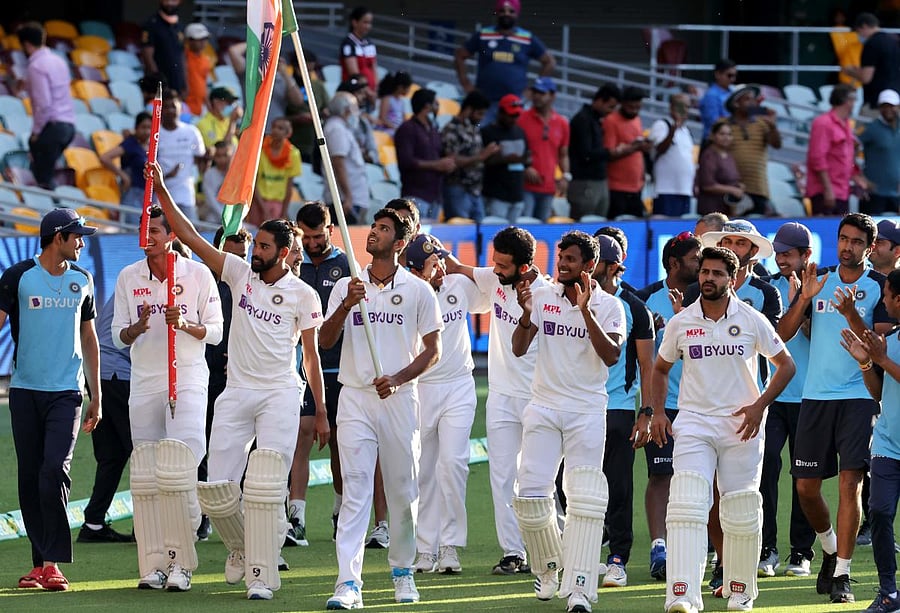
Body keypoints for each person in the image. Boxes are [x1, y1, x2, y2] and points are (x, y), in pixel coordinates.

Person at [148, 161, 327, 601]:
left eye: (264, 247)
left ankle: (262, 575)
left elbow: (311, 355)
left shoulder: (304, 295)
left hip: (281, 393)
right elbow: (189, 236)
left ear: (283, 252)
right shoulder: (238, 273)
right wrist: (163, 190)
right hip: (237, 391)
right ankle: (240, 546)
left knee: (266, 482)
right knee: (217, 487)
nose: (255, 252)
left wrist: (320, 411)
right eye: (256, 245)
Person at [650, 246, 795, 613]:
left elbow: (786, 366)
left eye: (717, 274)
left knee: (741, 509)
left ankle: (741, 590)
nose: (708, 279)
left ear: (732, 280)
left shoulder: (751, 318)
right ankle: (682, 594)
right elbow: (661, 368)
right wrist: (657, 413)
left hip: (740, 426)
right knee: (686, 505)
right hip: (695, 423)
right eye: (705, 272)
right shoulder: (682, 322)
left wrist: (759, 406)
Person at [319, 209, 443, 609]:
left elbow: (433, 351)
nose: (374, 233)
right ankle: (347, 583)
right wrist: (345, 306)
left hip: (399, 400)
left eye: (384, 229)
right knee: (355, 491)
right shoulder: (347, 286)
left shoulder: (418, 290)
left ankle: (403, 572)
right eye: (373, 227)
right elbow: (324, 341)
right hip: (354, 397)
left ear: (401, 243)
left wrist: (399, 379)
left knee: (403, 491)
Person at [780, 212, 893, 604]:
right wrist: (805, 298)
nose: (848, 246)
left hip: (860, 395)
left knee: (850, 483)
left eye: (857, 241)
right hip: (815, 396)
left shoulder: (878, 286)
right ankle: (828, 547)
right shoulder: (819, 279)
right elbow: (783, 333)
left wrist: (850, 314)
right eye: (843, 239)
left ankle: (842, 572)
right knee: (806, 488)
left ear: (871, 247)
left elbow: (877, 348)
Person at [510, 230, 624, 613]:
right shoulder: (541, 295)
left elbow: (610, 356)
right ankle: (547, 569)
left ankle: (579, 590)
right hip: (543, 406)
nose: (561, 264)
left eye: (570, 259)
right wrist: (526, 316)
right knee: (529, 498)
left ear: (589, 266)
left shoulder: (610, 307)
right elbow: (519, 347)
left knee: (583, 503)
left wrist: (585, 309)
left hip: (587, 411)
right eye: (560, 257)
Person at [112, 205, 224, 591]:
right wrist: (137, 327)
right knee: (148, 478)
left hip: (188, 381)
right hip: (144, 383)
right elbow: (117, 337)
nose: (148, 236)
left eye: (155, 230)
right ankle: (155, 562)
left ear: (171, 234)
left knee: (180, 471)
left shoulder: (196, 274)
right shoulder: (129, 276)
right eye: (144, 229)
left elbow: (216, 331)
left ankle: (182, 562)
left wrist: (187, 325)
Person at [1, 208, 101, 592]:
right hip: (25, 392)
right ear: (57, 237)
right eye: (76, 236)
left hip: (67, 394)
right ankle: (39, 564)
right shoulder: (18, 277)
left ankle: (52, 564)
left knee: (54, 469)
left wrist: (97, 395)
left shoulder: (83, 279)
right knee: (29, 477)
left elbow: (89, 338)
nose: (81, 242)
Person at [444, 226, 548, 576]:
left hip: (539, 397)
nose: (495, 269)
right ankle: (513, 552)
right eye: (494, 261)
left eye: (502, 265)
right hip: (501, 395)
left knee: (537, 479)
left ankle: (549, 546)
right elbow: (458, 268)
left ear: (523, 266)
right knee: (502, 476)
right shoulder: (495, 279)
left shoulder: (547, 294)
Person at [408, 234, 485, 575]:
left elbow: (494, 284)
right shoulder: (408, 294)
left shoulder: (458, 284)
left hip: (458, 386)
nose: (438, 268)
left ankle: (450, 544)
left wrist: (458, 264)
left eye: (440, 260)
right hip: (422, 387)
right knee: (424, 470)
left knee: (453, 464)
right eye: (431, 263)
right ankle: (425, 548)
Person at [635, 231, 702, 582]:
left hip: (704, 407)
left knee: (704, 480)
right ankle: (659, 547)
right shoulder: (644, 301)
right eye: (695, 259)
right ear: (674, 263)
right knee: (661, 475)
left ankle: (702, 546)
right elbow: (640, 362)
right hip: (665, 406)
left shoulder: (713, 298)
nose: (701, 265)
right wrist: (649, 409)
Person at [591, 231, 655, 589]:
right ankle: (588, 548)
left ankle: (617, 558)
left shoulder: (634, 307)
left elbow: (647, 365)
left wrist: (646, 412)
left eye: (595, 261)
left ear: (613, 267)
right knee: (566, 483)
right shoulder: (570, 298)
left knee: (618, 487)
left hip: (616, 407)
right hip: (576, 406)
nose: (588, 267)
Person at [289, 203, 352, 545]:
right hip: (300, 368)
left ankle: (341, 511)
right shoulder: (292, 265)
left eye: (318, 236)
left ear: (330, 230)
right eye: (306, 237)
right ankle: (295, 516)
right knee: (300, 434)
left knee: (339, 443)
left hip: (338, 368)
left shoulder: (345, 265)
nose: (312, 243)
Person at [757, 222, 817, 578]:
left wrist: (805, 300)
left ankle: (801, 552)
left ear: (805, 255)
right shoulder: (770, 290)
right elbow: (776, 338)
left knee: (804, 478)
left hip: (810, 395)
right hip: (773, 394)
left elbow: (810, 334)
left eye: (788, 253)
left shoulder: (819, 286)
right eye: (778, 253)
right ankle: (767, 548)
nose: (781, 259)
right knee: (765, 468)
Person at [838, 268, 900, 613]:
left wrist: (881, 359)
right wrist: (866, 365)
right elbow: (879, 393)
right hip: (888, 446)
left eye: (887, 295)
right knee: (878, 511)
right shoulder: (889, 340)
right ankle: (889, 592)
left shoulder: (887, 348)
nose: (884, 301)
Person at [197, 226, 251, 539]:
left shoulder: (250, 282)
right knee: (202, 444)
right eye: (231, 255)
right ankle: (203, 514)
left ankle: (238, 512)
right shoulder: (198, 281)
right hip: (205, 374)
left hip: (240, 376)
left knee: (242, 446)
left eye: (243, 256)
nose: (238, 262)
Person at [77, 296, 135, 544]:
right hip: (122, 375)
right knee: (143, 452)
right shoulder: (144, 288)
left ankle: (93, 522)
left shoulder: (126, 284)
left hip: (101, 375)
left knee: (112, 455)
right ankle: (146, 527)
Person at [455, 0, 555, 123]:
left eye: (511, 11)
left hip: (515, 103)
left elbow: (549, 62)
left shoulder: (526, 38)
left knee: (512, 139)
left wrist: (533, 90)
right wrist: (466, 84)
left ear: (516, 14)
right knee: (481, 137)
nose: (506, 14)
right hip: (486, 103)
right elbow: (460, 55)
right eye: (502, 11)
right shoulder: (483, 35)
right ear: (497, 13)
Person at [17, 22, 76, 190]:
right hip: (68, 127)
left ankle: (51, 212)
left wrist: (36, 132)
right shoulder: (59, 61)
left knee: (42, 178)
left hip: (53, 127)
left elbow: (44, 105)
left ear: (27, 45)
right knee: (45, 173)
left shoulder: (36, 66)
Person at [805, 84, 870, 216]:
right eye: (853, 99)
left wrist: (857, 178)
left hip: (841, 191)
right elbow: (817, 158)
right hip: (825, 192)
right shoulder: (823, 123)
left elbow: (845, 158)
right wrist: (828, 189)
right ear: (846, 101)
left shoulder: (846, 124)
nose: (854, 104)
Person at [394, 88, 456, 220]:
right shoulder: (407, 128)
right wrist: (437, 165)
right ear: (427, 106)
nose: (438, 107)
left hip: (435, 196)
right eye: (436, 103)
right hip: (415, 195)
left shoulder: (433, 129)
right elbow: (406, 161)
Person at [440, 90, 500, 222]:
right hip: (457, 188)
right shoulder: (451, 129)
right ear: (468, 109)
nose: (481, 118)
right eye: (479, 113)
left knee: (480, 233)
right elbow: (452, 160)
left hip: (475, 190)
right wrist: (481, 156)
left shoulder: (474, 128)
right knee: (461, 232)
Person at [518, 77, 570, 221]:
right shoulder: (521, 119)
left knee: (541, 231)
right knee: (523, 228)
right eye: (535, 92)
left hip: (548, 187)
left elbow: (563, 154)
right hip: (525, 186)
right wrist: (525, 167)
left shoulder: (562, 123)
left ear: (552, 96)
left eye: (541, 93)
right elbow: (515, 149)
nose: (536, 96)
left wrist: (565, 175)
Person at [725, 85, 781, 216]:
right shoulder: (723, 125)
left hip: (758, 187)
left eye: (753, 99)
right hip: (733, 188)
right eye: (747, 99)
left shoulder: (762, 123)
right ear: (736, 103)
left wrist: (772, 126)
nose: (752, 103)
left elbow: (776, 144)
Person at [568, 84, 620, 220]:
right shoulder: (582, 120)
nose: (611, 111)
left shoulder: (596, 121)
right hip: (585, 183)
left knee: (598, 225)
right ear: (600, 100)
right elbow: (586, 154)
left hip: (598, 181)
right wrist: (611, 152)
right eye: (610, 106)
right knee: (584, 228)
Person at [229, 42, 305, 132]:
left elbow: (298, 101)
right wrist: (259, 40)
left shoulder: (283, 78)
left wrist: (284, 73)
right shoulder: (251, 73)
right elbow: (233, 51)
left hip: (274, 133)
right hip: (251, 131)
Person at [156, 88, 206, 221]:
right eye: (166, 107)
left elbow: (201, 158)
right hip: (162, 196)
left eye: (173, 106)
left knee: (189, 237)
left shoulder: (191, 132)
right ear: (160, 110)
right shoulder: (156, 134)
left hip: (186, 196)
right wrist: (166, 176)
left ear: (180, 107)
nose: (171, 110)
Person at [604, 87, 653, 219]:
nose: (635, 108)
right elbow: (610, 153)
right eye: (632, 105)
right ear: (623, 103)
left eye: (638, 104)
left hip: (636, 187)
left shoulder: (637, 119)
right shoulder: (611, 120)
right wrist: (635, 147)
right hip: (617, 187)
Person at [481, 94, 529, 223]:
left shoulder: (520, 132)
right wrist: (506, 159)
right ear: (501, 113)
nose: (514, 119)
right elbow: (484, 161)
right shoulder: (488, 132)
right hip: (497, 194)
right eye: (511, 115)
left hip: (517, 193)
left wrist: (523, 160)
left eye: (516, 115)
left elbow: (526, 156)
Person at [322, 92, 369, 225]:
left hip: (353, 198)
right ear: (347, 109)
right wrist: (348, 197)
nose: (357, 112)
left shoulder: (342, 128)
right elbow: (339, 164)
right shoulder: (336, 129)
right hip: (345, 201)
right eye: (355, 107)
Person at [843, 13, 900, 118]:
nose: (858, 36)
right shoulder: (894, 41)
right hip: (895, 100)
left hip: (875, 103)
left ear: (864, 26)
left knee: (862, 132)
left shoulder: (872, 44)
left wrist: (850, 71)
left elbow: (866, 77)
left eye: (858, 32)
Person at [100, 111, 152, 224]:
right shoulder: (130, 144)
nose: (147, 131)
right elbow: (105, 157)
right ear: (136, 128)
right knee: (134, 230)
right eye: (143, 127)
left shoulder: (152, 146)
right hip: (132, 194)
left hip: (149, 195)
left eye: (149, 128)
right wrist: (123, 175)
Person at [249, 117, 302, 226]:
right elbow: (253, 182)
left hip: (278, 203)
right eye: (274, 127)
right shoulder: (260, 150)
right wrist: (263, 208)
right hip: (258, 202)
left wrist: (283, 212)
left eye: (280, 128)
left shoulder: (294, 154)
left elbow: (289, 187)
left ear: (288, 133)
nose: (275, 130)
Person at [650, 93, 695, 217]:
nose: (684, 110)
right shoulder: (662, 125)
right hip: (666, 190)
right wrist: (673, 129)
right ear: (671, 107)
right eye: (680, 106)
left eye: (687, 106)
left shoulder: (686, 131)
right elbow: (660, 149)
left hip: (685, 190)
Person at [858, 89, 900, 216]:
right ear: (879, 108)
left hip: (897, 194)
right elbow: (849, 150)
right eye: (884, 106)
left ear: (898, 107)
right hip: (874, 194)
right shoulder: (870, 129)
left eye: (891, 106)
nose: (888, 109)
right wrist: (860, 177)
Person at [285, 50, 330, 162]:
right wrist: (296, 119)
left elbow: (327, 108)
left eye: (311, 70)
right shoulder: (284, 84)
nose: (308, 74)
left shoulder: (318, 86)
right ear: (295, 67)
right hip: (289, 141)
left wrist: (324, 113)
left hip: (311, 144)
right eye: (304, 69)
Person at [695, 119, 745, 216]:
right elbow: (708, 185)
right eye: (722, 134)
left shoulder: (729, 155)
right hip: (712, 211)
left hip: (728, 209)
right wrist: (732, 190)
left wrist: (739, 186)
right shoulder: (708, 155)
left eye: (729, 134)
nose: (726, 137)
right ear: (713, 136)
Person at [141, 0, 186, 97]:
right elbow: (147, 55)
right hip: (159, 85)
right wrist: (159, 82)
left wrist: (184, 83)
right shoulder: (151, 24)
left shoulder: (180, 26)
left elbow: (181, 55)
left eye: (173, 0)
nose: (170, 3)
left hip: (176, 82)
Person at [339, 6, 378, 106]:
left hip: (370, 95)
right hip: (355, 94)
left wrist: (375, 90)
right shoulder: (348, 43)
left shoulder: (370, 43)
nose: (368, 26)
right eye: (365, 22)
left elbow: (374, 69)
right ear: (355, 22)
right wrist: (367, 92)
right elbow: (354, 73)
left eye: (370, 23)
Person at [337, 74, 379, 165]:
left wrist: (369, 156)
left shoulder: (363, 121)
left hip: (363, 169)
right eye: (359, 93)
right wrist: (360, 153)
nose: (363, 97)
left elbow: (374, 151)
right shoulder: (336, 123)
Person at [698, 58, 737, 141]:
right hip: (713, 142)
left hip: (727, 140)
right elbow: (715, 123)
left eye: (734, 76)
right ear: (718, 74)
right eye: (729, 75)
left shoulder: (733, 92)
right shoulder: (711, 95)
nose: (732, 79)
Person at [195, 86, 242, 151]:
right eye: (229, 102)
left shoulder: (227, 121)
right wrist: (233, 122)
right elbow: (221, 152)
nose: (232, 106)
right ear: (216, 102)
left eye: (233, 103)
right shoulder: (202, 124)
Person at [183, 22, 212, 118]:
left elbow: (204, 85)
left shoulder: (205, 60)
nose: (203, 42)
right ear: (189, 40)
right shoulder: (182, 57)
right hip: (184, 106)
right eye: (199, 39)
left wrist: (209, 107)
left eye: (205, 39)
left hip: (200, 108)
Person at [201, 141, 234, 222]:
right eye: (219, 156)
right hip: (214, 218)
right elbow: (211, 201)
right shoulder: (209, 175)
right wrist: (225, 217)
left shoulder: (236, 174)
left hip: (232, 218)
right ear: (214, 157)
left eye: (225, 155)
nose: (222, 159)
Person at [375, 71, 412, 135]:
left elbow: (404, 119)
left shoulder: (401, 102)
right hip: (387, 130)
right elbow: (382, 118)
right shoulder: (387, 99)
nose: (409, 90)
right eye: (408, 88)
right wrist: (395, 128)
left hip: (397, 130)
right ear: (400, 87)